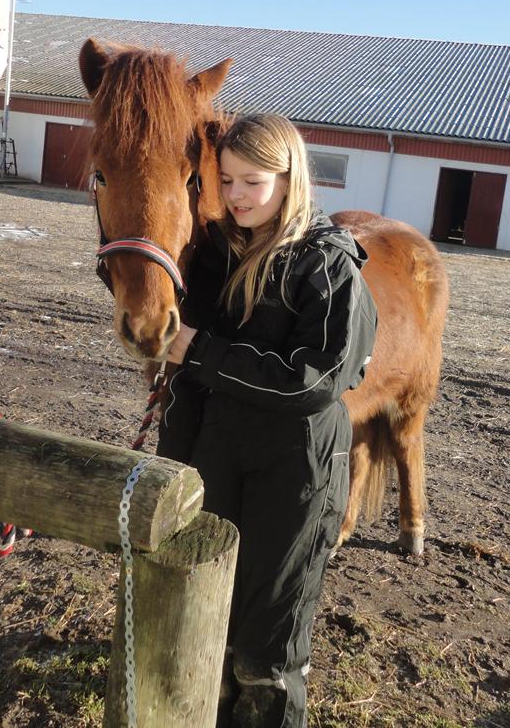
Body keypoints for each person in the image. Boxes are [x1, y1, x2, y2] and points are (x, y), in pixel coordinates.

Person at [161, 113, 378, 727]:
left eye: (252, 182)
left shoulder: (328, 268)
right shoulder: (219, 255)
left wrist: (201, 351)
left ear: (289, 179)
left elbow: (312, 381)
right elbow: (186, 378)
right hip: (221, 454)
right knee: (213, 619)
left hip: (295, 469)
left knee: (269, 642)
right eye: (227, 180)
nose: (236, 196)